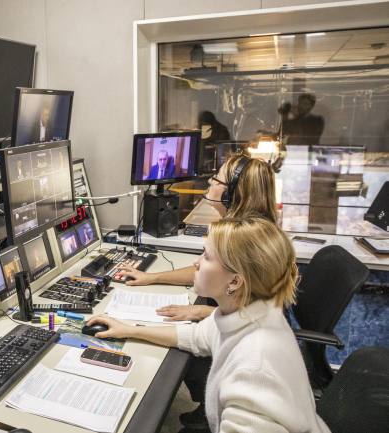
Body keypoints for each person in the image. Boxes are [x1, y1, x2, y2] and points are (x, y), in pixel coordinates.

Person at [88, 217, 330, 433]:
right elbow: (196, 336)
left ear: (235, 282)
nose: (196, 263)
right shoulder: (250, 313)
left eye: (206, 256)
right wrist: (130, 330)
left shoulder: (255, 369)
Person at [117, 153, 277, 430]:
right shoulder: (247, 231)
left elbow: (256, 319)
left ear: (232, 193)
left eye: (217, 180)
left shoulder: (246, 243)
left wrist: (202, 311)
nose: (210, 184)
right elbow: (205, 272)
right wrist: (152, 277)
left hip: (250, 386)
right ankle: (207, 407)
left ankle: (211, 410)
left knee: (171, 361)